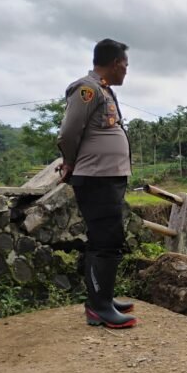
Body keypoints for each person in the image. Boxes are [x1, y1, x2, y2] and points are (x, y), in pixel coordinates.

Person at [57, 38, 137, 329]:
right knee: (106, 240)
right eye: (125, 66)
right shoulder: (87, 89)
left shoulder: (104, 90)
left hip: (106, 177)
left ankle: (102, 299)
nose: (126, 71)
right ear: (116, 63)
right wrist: (69, 162)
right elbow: (68, 133)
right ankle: (99, 308)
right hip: (96, 178)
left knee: (106, 239)